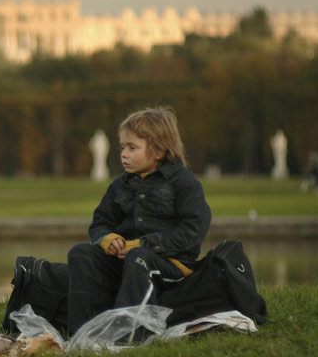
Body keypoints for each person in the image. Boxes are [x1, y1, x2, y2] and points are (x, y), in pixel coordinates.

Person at [66, 107, 211, 336]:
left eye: (132, 148)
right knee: (80, 253)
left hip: (172, 266)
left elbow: (192, 232)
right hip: (130, 261)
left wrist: (144, 244)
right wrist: (106, 239)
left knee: (138, 257)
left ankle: (128, 335)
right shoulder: (119, 185)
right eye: (123, 147)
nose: (123, 154)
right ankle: (83, 334)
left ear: (159, 150)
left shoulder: (186, 184)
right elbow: (99, 223)